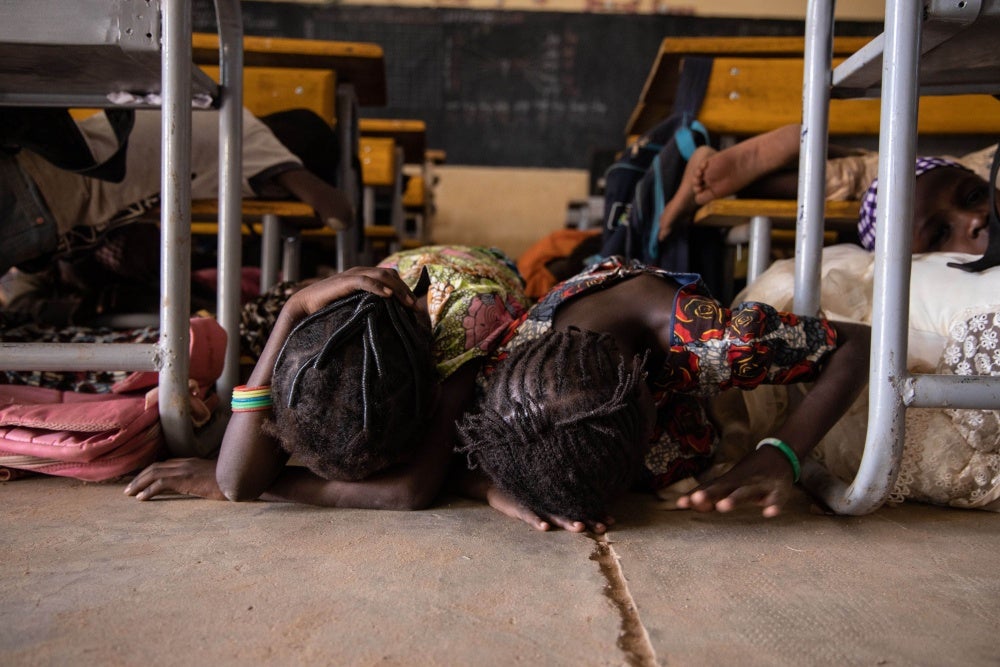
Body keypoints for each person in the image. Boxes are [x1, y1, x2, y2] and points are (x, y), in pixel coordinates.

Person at [125, 245, 548, 519]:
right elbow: (236, 480)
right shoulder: (322, 327)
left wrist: (253, 484)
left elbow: (408, 491)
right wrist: (294, 310)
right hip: (403, 271)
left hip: (484, 266)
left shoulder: (476, 320)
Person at [458, 255, 871, 531]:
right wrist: (500, 488)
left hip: (656, 326)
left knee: (677, 468)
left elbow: (859, 344)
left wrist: (782, 453)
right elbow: (453, 455)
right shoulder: (503, 380)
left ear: (648, 393)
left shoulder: (714, 342)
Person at [1, 107, 353, 323]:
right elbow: (338, 214)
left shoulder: (207, 116)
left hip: (28, 178)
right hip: (36, 203)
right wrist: (303, 180)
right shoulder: (246, 134)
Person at [655, 123, 999, 258]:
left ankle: (815, 154)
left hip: (965, 168)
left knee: (866, 175)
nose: (978, 219)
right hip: (958, 170)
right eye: (940, 234)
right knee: (888, 181)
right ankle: (812, 153)